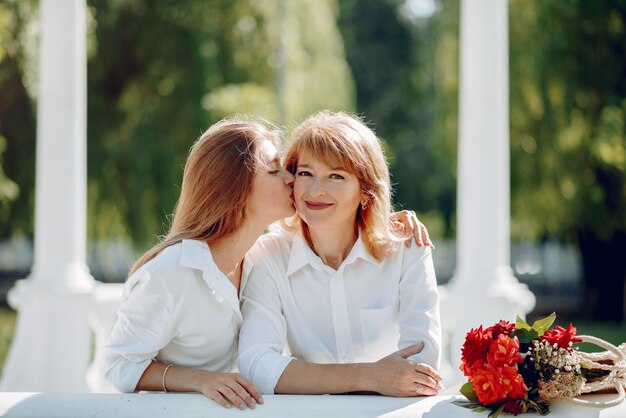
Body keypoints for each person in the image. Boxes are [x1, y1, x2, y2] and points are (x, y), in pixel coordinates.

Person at [100, 115, 431, 409]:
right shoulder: (180, 272)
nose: (292, 181)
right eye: (281, 171)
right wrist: (200, 379)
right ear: (236, 188)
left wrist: (378, 219)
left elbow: (420, 365)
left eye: (336, 176)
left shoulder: (251, 258)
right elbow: (119, 365)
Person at [238, 111, 442, 398]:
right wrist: (371, 375)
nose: (316, 190)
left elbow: (421, 365)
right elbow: (256, 364)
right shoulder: (268, 257)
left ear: (366, 192)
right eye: (305, 173)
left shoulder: (407, 248)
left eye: (336, 176)